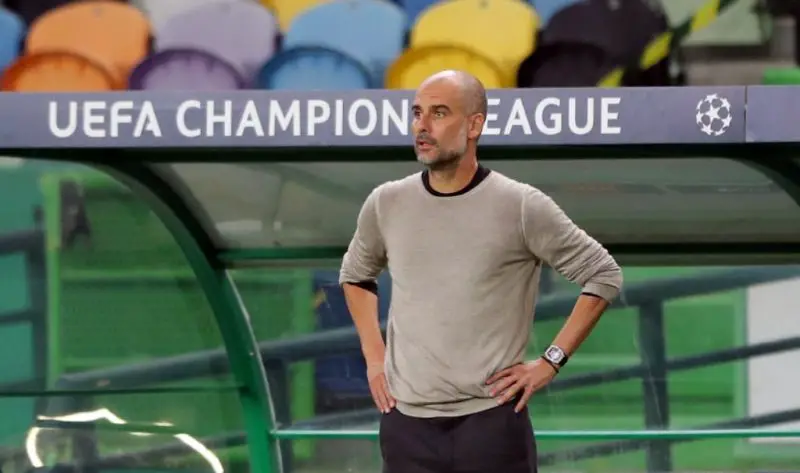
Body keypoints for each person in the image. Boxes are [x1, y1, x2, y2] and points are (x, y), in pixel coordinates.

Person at [338, 70, 623, 473]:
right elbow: (355, 275)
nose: (422, 125)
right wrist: (374, 358)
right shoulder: (386, 202)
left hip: (492, 423)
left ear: (474, 125)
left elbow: (603, 275)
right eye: (417, 113)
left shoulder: (520, 205)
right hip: (406, 426)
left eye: (439, 113)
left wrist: (550, 361)